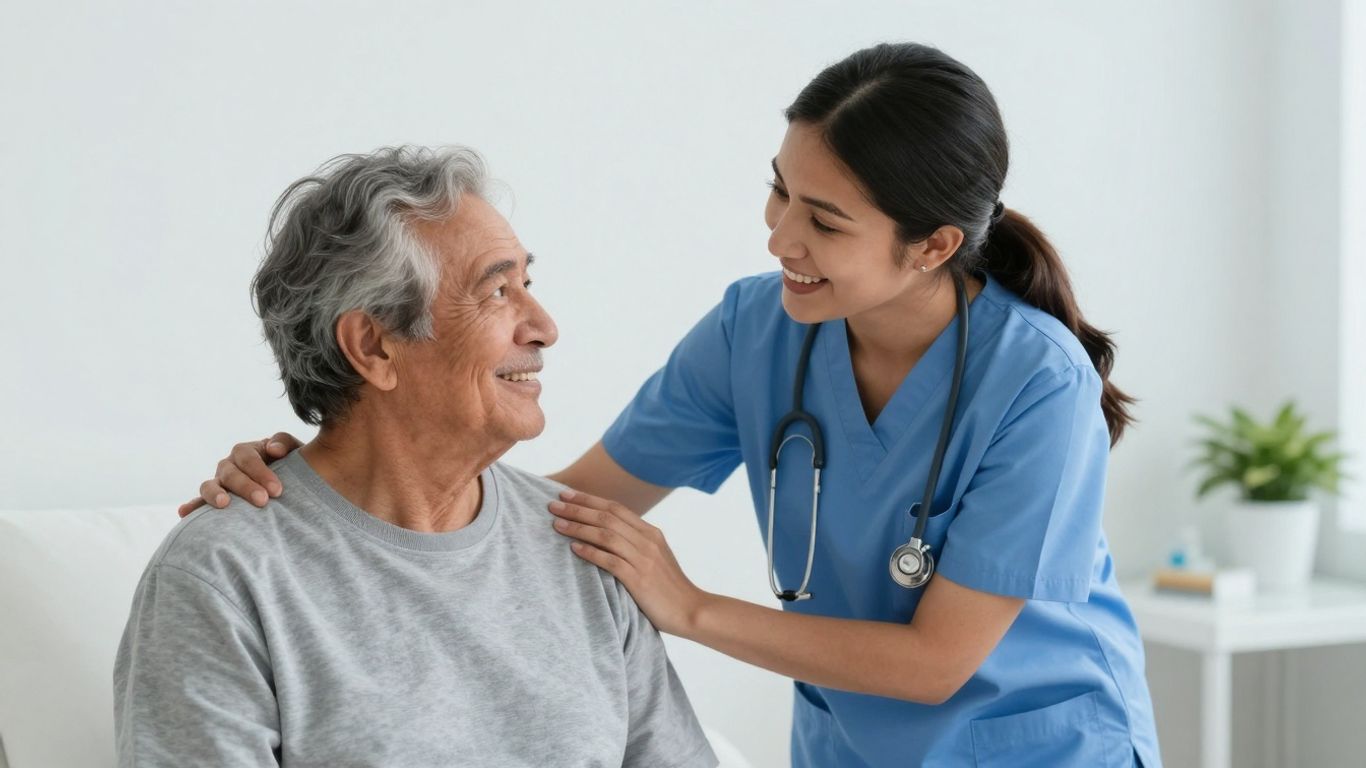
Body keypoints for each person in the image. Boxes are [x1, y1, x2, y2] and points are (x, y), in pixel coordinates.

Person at [181, 44, 1161, 767]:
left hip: (1041, 747)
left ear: (934, 247)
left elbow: (936, 664)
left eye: (822, 221)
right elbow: (549, 515)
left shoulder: (1037, 385)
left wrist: (687, 605)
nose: (779, 237)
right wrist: (318, 484)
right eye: (779, 193)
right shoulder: (758, 331)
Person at [117, 147, 718, 768]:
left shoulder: (584, 546)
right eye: (497, 291)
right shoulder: (224, 575)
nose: (543, 326)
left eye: (528, 285)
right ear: (374, 346)